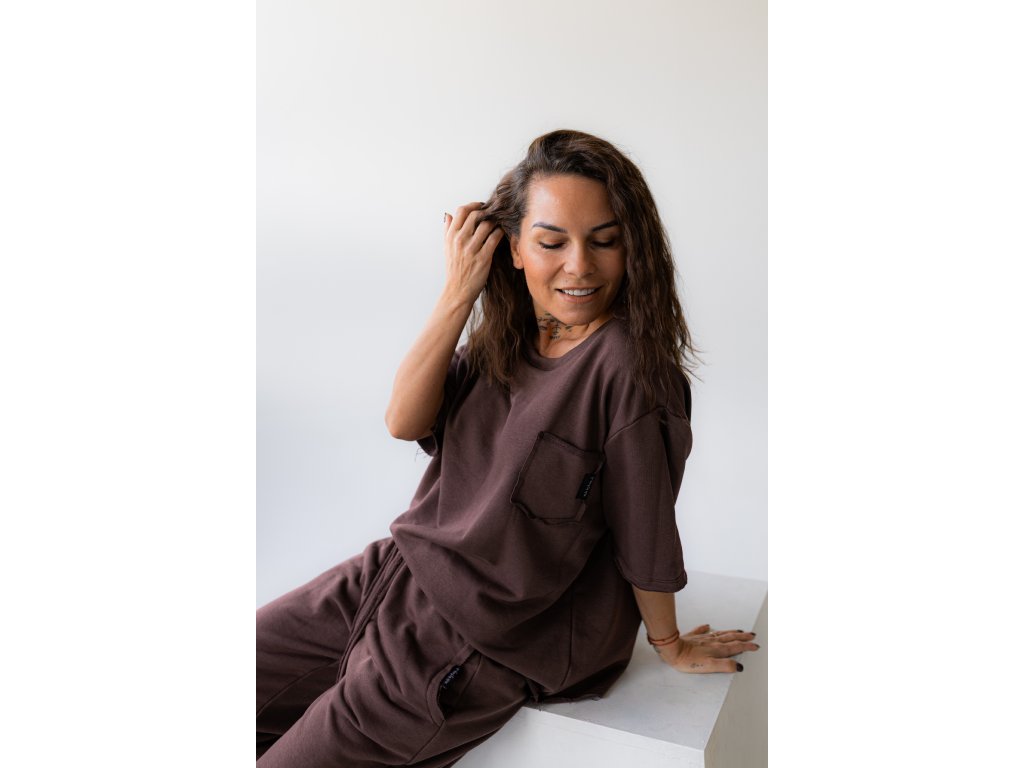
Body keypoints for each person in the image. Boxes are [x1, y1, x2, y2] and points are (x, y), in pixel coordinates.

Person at [256, 129, 760, 767]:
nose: (579, 265)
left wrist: (669, 642)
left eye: (605, 240)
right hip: (390, 576)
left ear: (633, 247)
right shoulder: (509, 337)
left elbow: (646, 531)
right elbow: (403, 420)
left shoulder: (628, 369)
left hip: (481, 640)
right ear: (514, 247)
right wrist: (458, 292)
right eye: (552, 242)